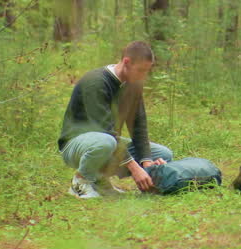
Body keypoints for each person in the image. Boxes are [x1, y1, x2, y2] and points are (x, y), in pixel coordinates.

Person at [57, 41, 174, 198]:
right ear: (126, 62)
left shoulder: (133, 85)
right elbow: (105, 130)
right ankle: (80, 182)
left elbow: (138, 127)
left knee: (163, 154)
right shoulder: (96, 82)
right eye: (140, 70)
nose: (143, 76)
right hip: (76, 145)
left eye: (146, 71)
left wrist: (147, 165)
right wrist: (134, 167)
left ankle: (100, 182)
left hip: (108, 143)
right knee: (106, 142)